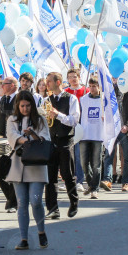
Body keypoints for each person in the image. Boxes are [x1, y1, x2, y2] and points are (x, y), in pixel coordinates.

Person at [5, 90, 50, 250]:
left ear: (33, 105)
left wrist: (32, 135)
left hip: (37, 165)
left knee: (36, 201)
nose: (25, 108)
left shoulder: (41, 120)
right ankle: (24, 239)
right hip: (19, 164)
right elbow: (12, 137)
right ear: (17, 105)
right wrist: (24, 139)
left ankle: (41, 231)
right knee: (22, 203)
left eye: (28, 105)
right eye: (22, 105)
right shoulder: (12, 119)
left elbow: (46, 140)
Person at [44, 72, 80, 218]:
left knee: (67, 174)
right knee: (50, 177)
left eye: (49, 81)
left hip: (66, 140)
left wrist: (57, 114)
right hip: (51, 141)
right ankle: (53, 208)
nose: (47, 84)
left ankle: (74, 202)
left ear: (58, 82)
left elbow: (74, 120)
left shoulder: (71, 98)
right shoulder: (47, 99)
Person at [0, 76, 19, 212]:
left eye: (4, 84)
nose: (1, 86)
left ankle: (13, 202)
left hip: (15, 141)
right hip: (1, 140)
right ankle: (10, 198)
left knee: (13, 172)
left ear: (12, 85)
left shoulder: (20, 99)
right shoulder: (0, 100)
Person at [78, 77, 105, 199]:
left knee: (96, 164)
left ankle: (95, 189)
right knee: (84, 163)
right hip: (85, 135)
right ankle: (91, 184)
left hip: (98, 135)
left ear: (99, 87)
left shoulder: (104, 100)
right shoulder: (83, 100)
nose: (92, 88)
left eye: (94, 86)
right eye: (90, 86)